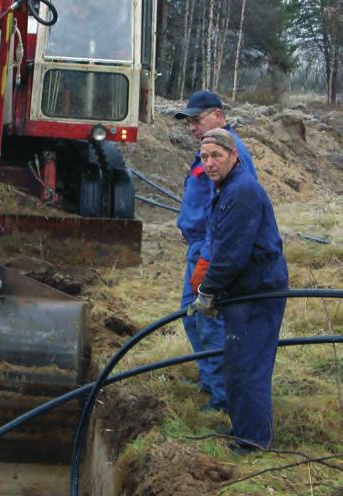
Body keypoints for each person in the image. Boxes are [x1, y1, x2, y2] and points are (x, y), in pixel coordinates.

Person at [188, 128, 288, 452]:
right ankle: (244, 430)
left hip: (258, 293)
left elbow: (231, 256)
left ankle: (253, 442)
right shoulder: (226, 188)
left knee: (248, 368)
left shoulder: (241, 191)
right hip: (245, 292)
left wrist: (207, 292)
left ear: (234, 156)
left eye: (216, 155)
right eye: (204, 157)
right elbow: (220, 246)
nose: (210, 162)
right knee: (238, 365)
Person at [174, 90, 257, 412]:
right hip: (200, 246)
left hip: (211, 249)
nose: (193, 127)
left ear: (219, 116)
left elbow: (230, 211)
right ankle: (211, 382)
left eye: (198, 119)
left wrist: (209, 257)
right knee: (193, 317)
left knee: (208, 320)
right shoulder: (209, 153)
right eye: (190, 122)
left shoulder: (231, 155)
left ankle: (222, 399)